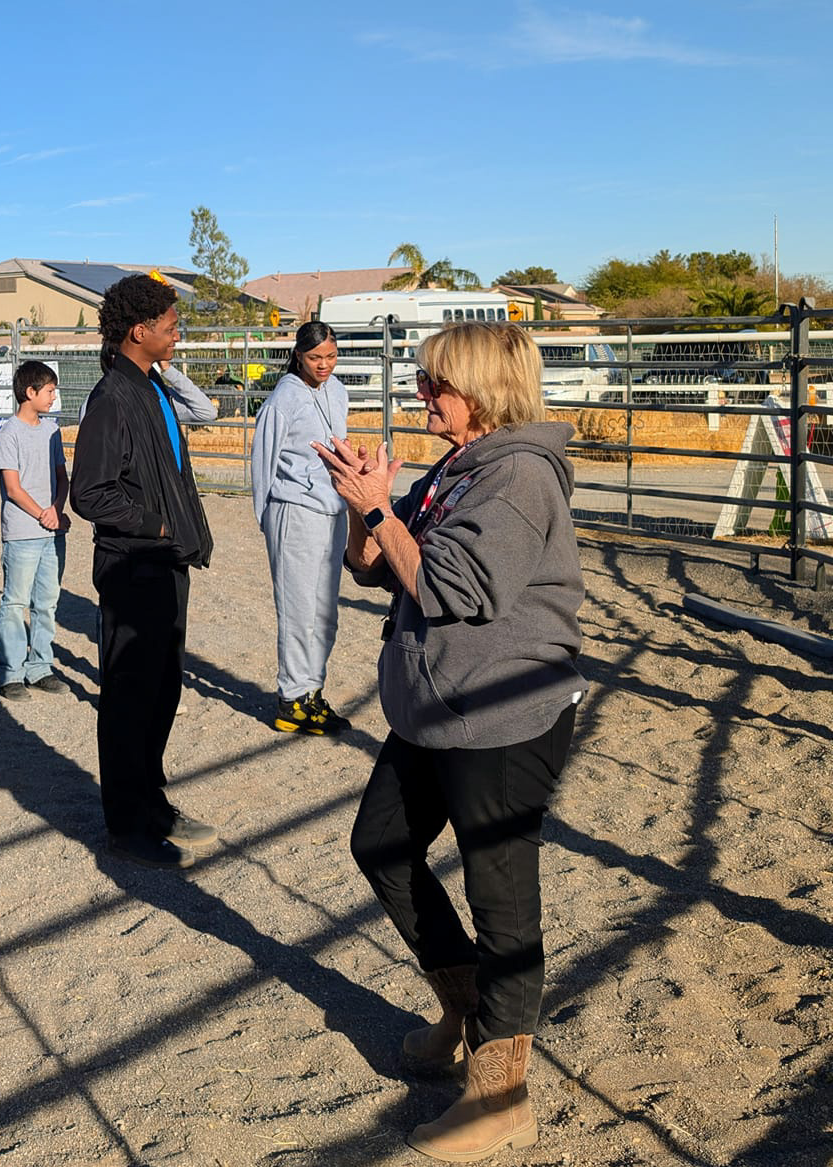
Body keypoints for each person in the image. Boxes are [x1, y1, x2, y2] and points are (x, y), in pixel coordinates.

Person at [314, 321, 586, 1161]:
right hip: (438, 707)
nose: (423, 394)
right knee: (382, 845)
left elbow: (451, 584)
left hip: (503, 717)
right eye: (426, 381)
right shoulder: (465, 468)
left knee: (501, 896)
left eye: (438, 383)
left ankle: (502, 1093)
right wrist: (365, 510)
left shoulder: (517, 477)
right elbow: (378, 566)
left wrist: (379, 512)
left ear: (484, 391)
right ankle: (467, 1005)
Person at [68, 273, 219, 870]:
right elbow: (91, 493)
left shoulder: (151, 386)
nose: (177, 335)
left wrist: (181, 535)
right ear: (140, 330)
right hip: (133, 567)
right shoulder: (112, 397)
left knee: (161, 690)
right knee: (130, 695)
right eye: (170, 326)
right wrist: (157, 526)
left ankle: (152, 800)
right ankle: (125, 823)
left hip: (166, 564)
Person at [250, 321, 353, 735]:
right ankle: (292, 697)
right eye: (315, 358)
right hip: (294, 511)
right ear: (298, 356)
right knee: (298, 609)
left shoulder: (339, 391)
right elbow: (263, 461)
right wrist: (268, 519)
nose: (324, 364)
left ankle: (312, 691)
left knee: (325, 611)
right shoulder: (283, 399)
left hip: (333, 510)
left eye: (330, 356)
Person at [0, 359, 71, 701]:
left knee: (46, 603)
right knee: (15, 602)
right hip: (24, 532)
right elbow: (13, 487)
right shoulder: (8, 434)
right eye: (49, 391)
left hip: (51, 531)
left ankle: (40, 666)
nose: (54, 397)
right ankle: (10, 672)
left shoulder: (52, 431)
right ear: (30, 392)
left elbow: (61, 476)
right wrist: (44, 514)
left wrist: (57, 510)